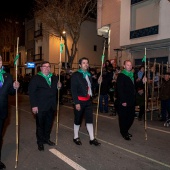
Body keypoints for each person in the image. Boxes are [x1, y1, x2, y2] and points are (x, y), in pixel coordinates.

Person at [28, 61, 61, 151]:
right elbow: (32, 93)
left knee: (49, 124)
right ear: (41, 68)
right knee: (40, 125)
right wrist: (34, 105)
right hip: (40, 106)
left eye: (48, 66)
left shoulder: (54, 77)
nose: (47, 68)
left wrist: (59, 86)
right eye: (45, 66)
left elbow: (56, 90)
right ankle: (40, 142)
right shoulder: (36, 78)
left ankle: (46, 139)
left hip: (51, 106)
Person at [71, 57, 101, 146]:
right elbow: (73, 90)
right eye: (84, 63)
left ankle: (92, 139)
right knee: (78, 120)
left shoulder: (89, 74)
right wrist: (76, 102)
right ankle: (75, 137)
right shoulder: (76, 75)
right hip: (79, 101)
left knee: (89, 120)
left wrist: (98, 82)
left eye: (87, 63)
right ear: (80, 65)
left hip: (88, 101)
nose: (86, 64)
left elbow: (91, 86)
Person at [0, 55, 20, 169]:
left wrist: (15, 86)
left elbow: (11, 92)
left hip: (1, 111)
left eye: (0, 60)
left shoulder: (7, 76)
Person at [116, 60, 135, 141]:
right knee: (123, 117)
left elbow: (135, 86)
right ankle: (124, 133)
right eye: (128, 65)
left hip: (131, 100)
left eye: (130, 65)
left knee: (131, 117)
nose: (129, 66)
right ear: (124, 66)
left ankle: (126, 130)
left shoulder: (132, 75)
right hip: (124, 100)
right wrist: (123, 100)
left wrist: (142, 81)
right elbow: (119, 89)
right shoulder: (121, 76)